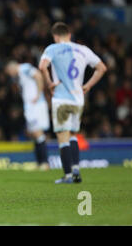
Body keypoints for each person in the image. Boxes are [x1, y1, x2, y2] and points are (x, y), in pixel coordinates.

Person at [39, 22, 107, 184]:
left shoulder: (52, 48)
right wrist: (88, 85)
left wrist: (49, 84)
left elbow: (42, 66)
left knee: (62, 137)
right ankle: (76, 169)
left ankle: (68, 175)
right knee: (73, 135)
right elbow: (102, 68)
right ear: (69, 35)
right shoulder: (83, 50)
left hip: (61, 98)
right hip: (78, 99)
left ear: (55, 36)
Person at [5, 61, 50, 170]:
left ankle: (44, 162)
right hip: (30, 106)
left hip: (36, 105)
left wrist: (38, 94)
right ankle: (40, 163)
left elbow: (38, 75)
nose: (10, 75)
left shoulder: (24, 68)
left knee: (37, 132)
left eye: (9, 73)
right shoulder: (19, 75)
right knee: (34, 134)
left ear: (12, 68)